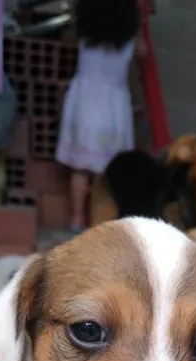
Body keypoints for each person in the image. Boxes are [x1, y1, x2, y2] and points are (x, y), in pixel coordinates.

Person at [55, 0, 141, 232]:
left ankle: (75, 220)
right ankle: (100, 224)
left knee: (79, 170)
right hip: (114, 105)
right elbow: (143, 54)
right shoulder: (130, 38)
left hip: (84, 100)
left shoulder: (83, 31)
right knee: (107, 174)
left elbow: (67, 38)